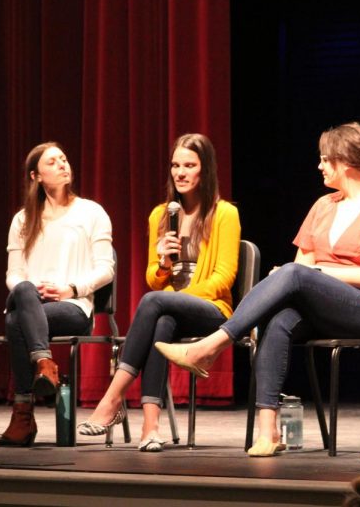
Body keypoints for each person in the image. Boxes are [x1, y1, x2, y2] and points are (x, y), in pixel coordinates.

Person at [157, 122, 360, 456]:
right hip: (321, 308)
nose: (319, 166)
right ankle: (269, 432)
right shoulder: (324, 206)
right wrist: (308, 274)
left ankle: (214, 344)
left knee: (294, 274)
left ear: (347, 162)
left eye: (325, 160)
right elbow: (301, 267)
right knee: (279, 319)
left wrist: (318, 271)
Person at [77, 133, 240, 452]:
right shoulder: (161, 215)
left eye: (189, 165)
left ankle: (112, 398)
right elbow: (154, 279)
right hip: (170, 309)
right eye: (175, 165)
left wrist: (183, 296)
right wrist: (164, 262)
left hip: (212, 311)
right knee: (162, 321)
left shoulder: (225, 215)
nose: (180, 172)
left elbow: (225, 277)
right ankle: (150, 428)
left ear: (204, 170)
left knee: (156, 303)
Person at [0, 142, 115, 446]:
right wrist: (31, 291)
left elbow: (106, 269)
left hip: (73, 308)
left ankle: (23, 414)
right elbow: (14, 274)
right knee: (22, 291)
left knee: (14, 323)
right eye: (53, 162)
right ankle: (44, 364)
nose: (63, 164)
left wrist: (70, 289)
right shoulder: (22, 220)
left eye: (64, 158)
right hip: (33, 304)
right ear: (36, 175)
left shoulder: (91, 212)